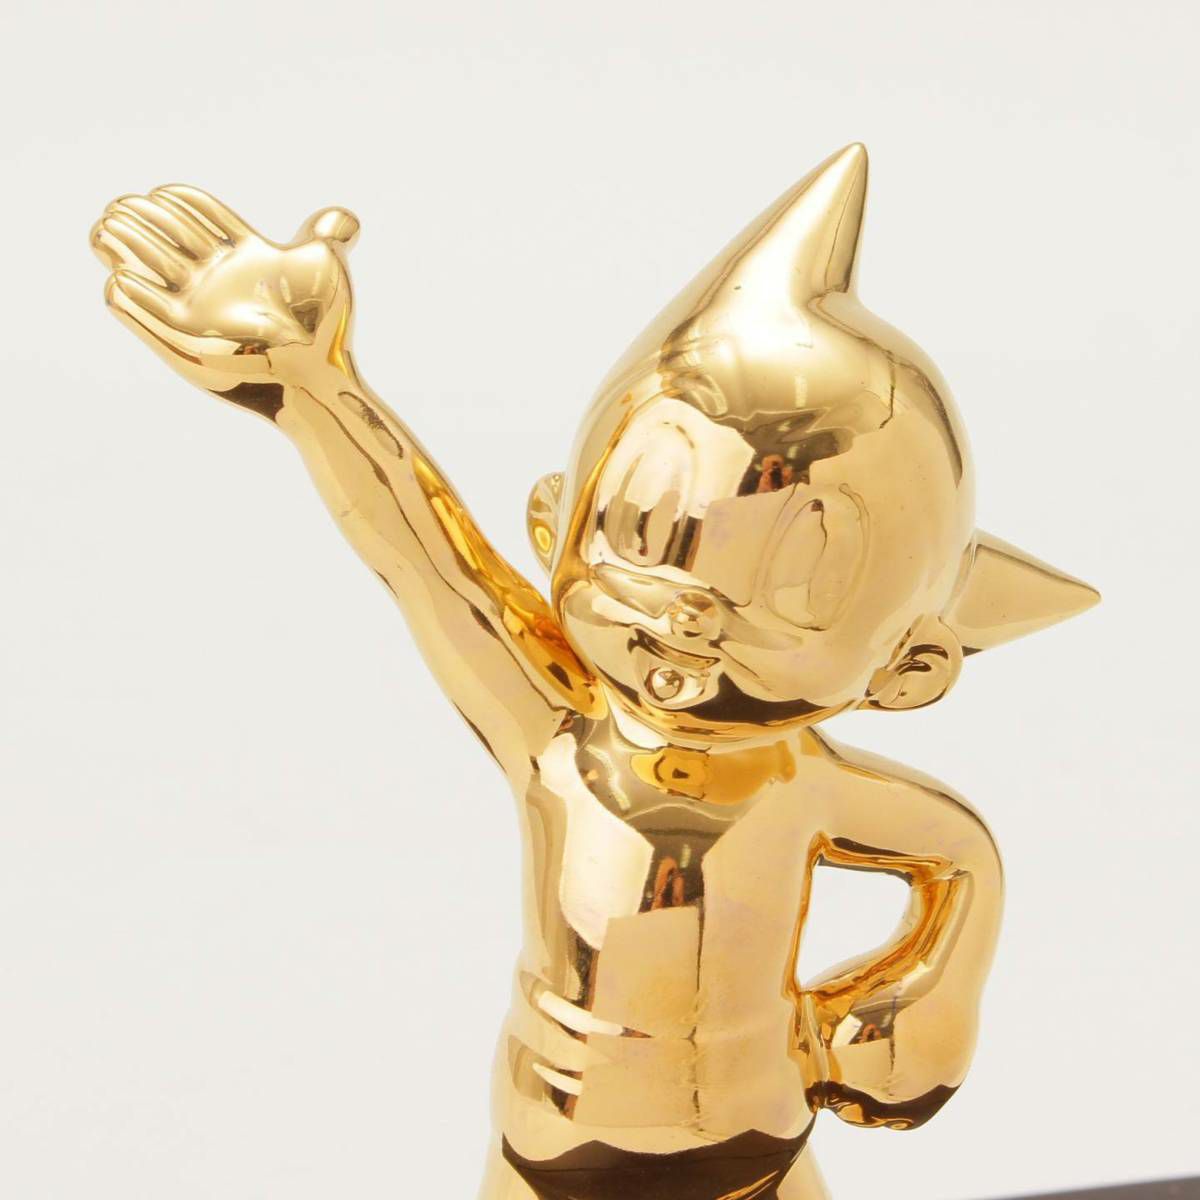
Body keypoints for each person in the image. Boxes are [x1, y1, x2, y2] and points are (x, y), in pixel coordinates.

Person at [91, 144, 1097, 1199]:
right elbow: (428, 562)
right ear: (550, 531)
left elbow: (962, 859)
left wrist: (932, 992)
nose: (688, 610)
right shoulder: (562, 737)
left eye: (804, 584)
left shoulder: (805, 787)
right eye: (640, 532)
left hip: (758, 1148)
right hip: (553, 1157)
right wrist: (312, 389)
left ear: (909, 666)